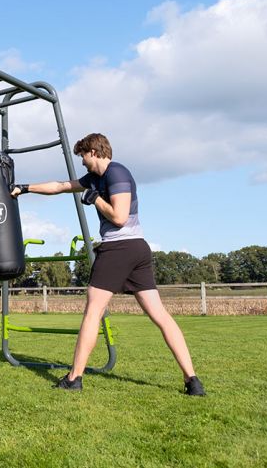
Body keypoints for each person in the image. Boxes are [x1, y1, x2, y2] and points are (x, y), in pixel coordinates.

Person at [11, 133, 205, 396]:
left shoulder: (117, 174)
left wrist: (96, 199)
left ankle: (74, 378)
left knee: (93, 313)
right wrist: (25, 188)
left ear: (94, 151)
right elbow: (60, 186)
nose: (82, 162)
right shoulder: (95, 178)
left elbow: (120, 217)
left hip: (120, 248)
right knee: (160, 316)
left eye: (83, 155)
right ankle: (192, 381)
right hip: (136, 250)